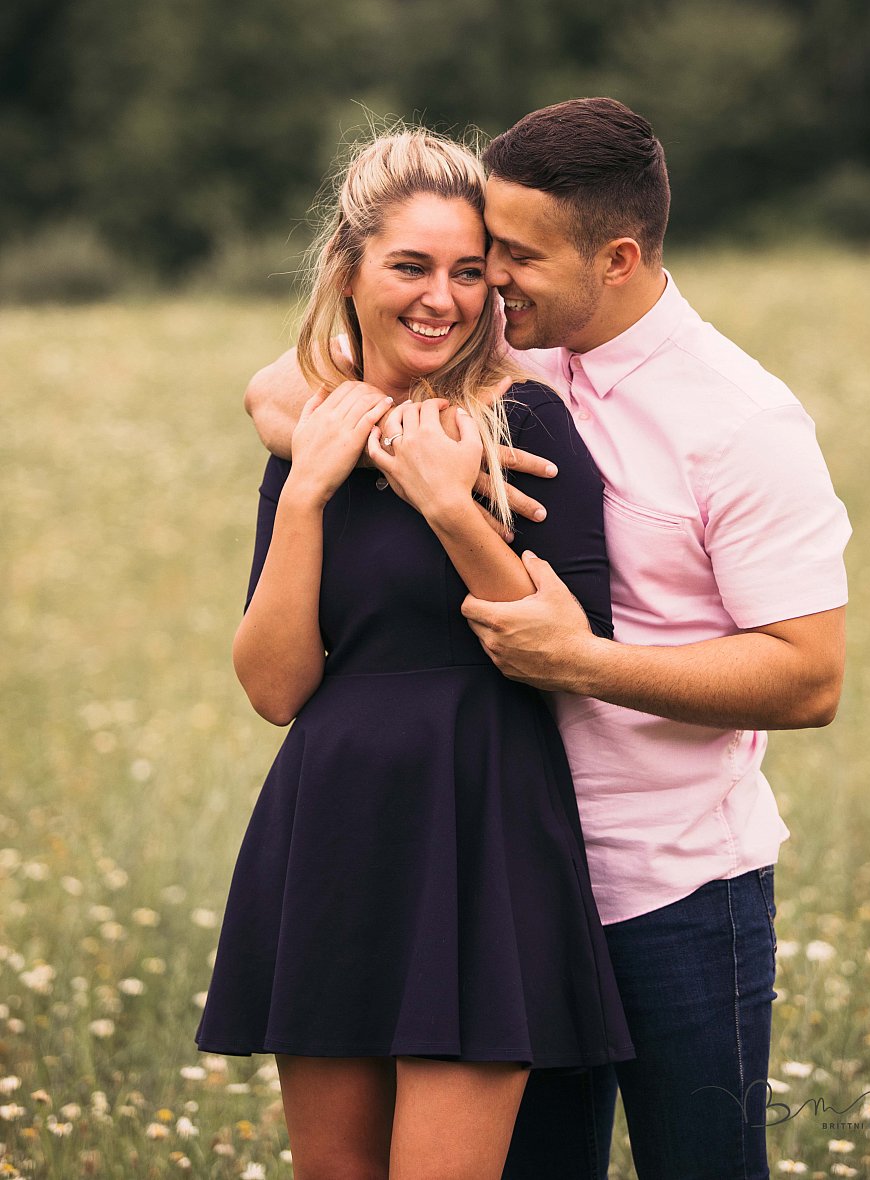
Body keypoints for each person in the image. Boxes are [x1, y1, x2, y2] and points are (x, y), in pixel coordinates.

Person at [245, 98, 852, 1180]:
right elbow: (297, 378)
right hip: (485, 856)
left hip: (666, 883)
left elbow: (809, 678)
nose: (484, 287)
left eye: (507, 259)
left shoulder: (740, 422)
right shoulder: (519, 352)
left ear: (614, 259)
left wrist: (576, 661)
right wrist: (363, 444)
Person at [195, 127, 634, 1180]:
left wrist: (448, 502)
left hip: (482, 819)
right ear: (350, 270)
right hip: (335, 821)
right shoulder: (309, 431)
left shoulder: (530, 421)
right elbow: (274, 687)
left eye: (468, 272)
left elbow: (571, 650)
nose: (442, 298)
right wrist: (307, 486)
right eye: (411, 266)